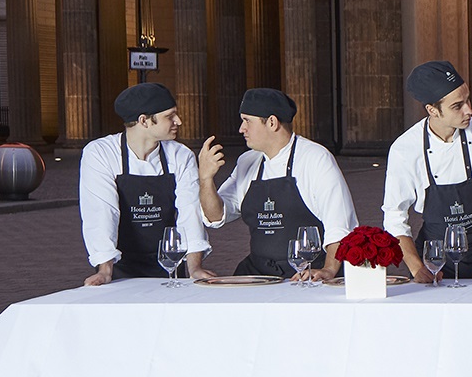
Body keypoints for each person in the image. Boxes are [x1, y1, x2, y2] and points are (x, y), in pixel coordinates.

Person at [383, 60, 472, 282]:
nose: (469, 110)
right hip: (437, 266)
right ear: (432, 110)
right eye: (457, 105)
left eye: (468, 100)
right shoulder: (405, 148)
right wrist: (416, 268)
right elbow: (394, 216)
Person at [197, 87, 358, 280]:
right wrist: (205, 179)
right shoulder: (247, 161)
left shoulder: (315, 158)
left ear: (272, 122)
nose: (241, 129)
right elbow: (215, 216)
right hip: (258, 275)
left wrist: (329, 270)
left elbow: (339, 224)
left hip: (305, 273)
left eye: (247, 121)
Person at [79, 83, 212, 285]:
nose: (179, 121)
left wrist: (194, 268)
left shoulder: (181, 155)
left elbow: (190, 212)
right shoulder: (100, 153)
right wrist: (105, 270)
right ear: (144, 121)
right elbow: (101, 213)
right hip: (120, 268)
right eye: (170, 116)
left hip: (170, 264)